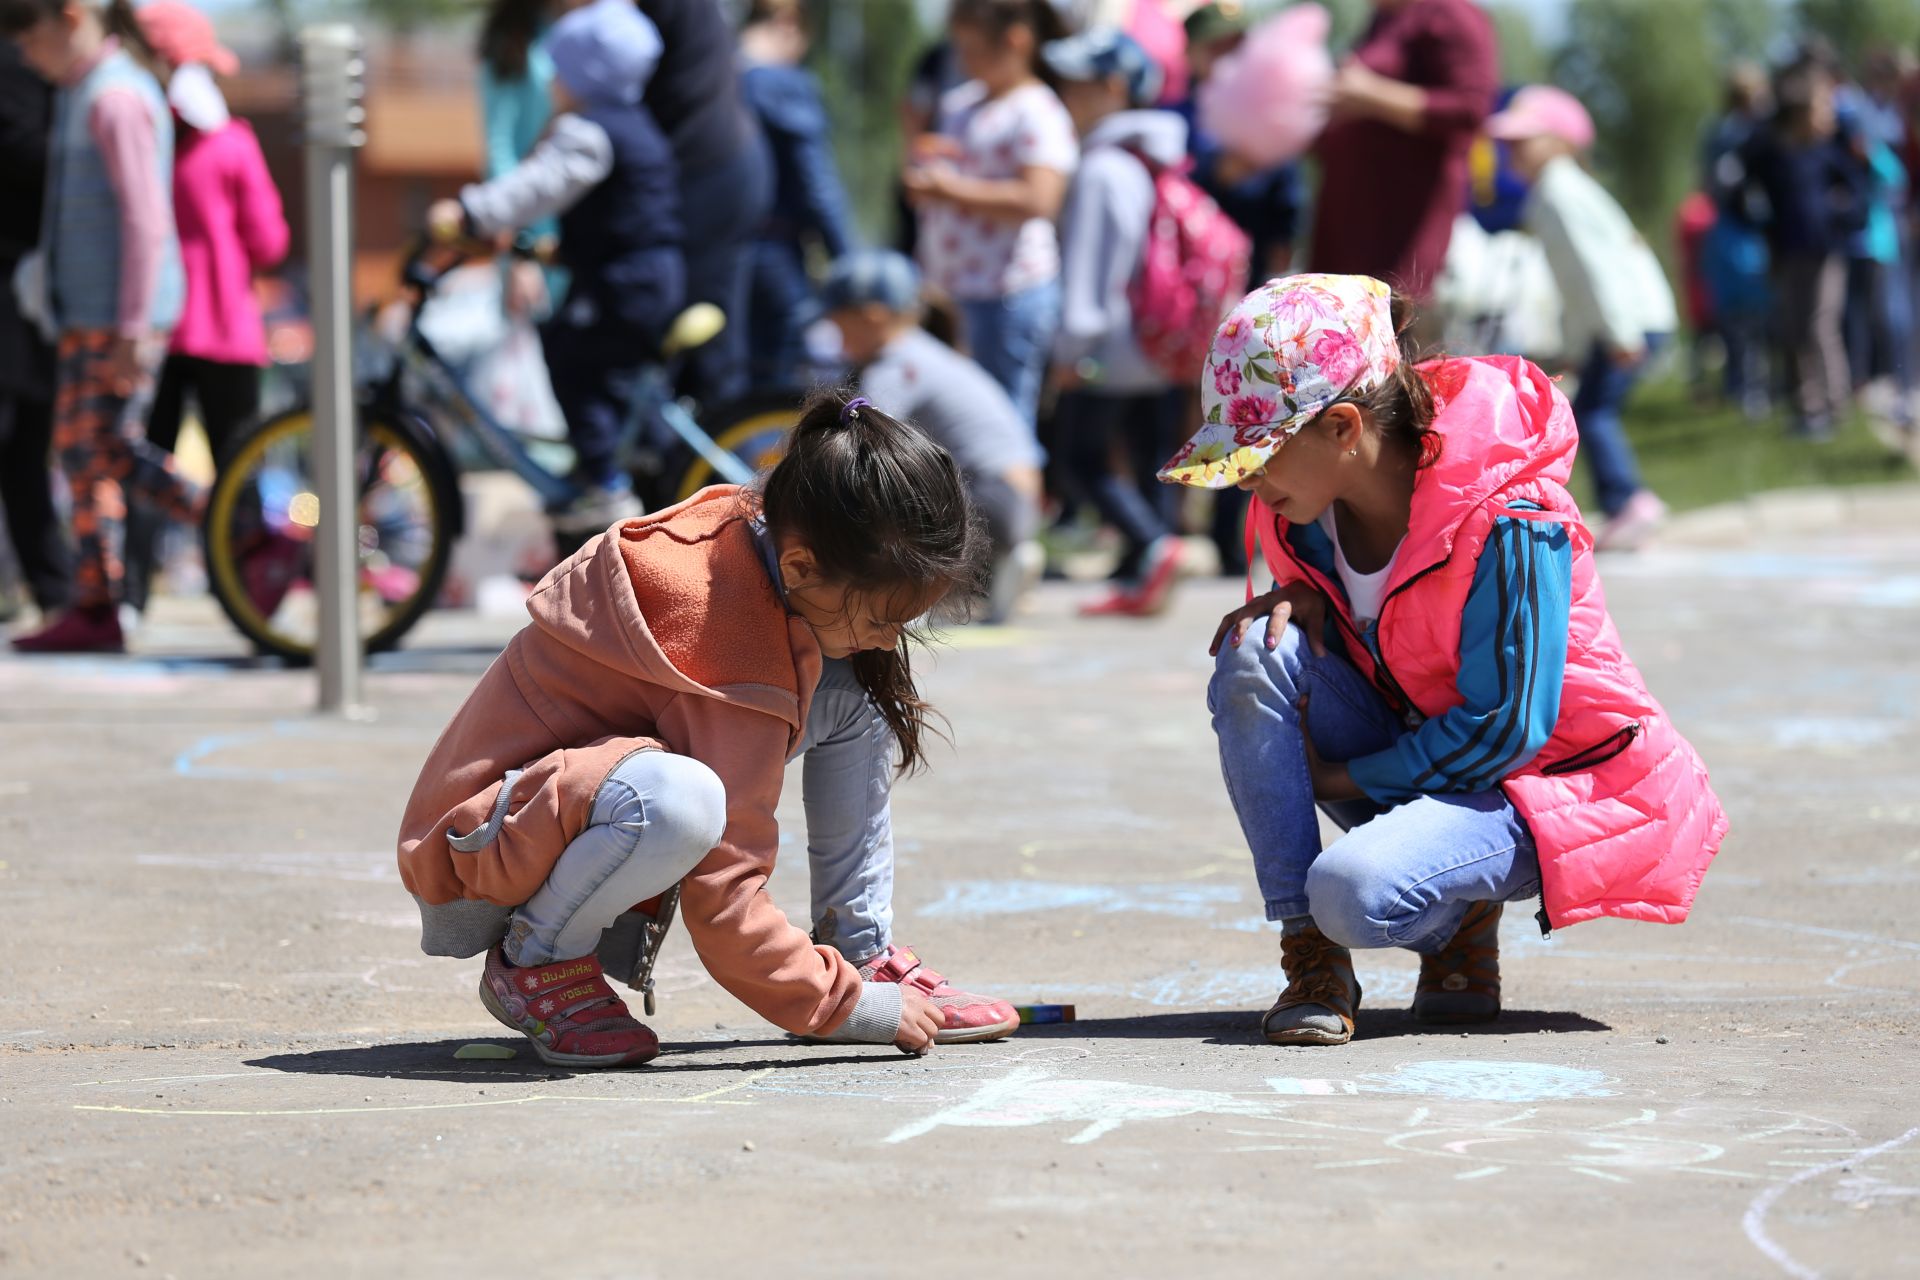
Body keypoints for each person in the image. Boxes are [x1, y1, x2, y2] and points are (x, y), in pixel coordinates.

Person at [1162, 274, 1728, 1046]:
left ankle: (1457, 914)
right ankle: (1312, 957)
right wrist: (1315, 608)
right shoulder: (1302, 517)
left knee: (1353, 890)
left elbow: (1508, 729)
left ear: (1342, 428)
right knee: (1254, 652)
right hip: (1426, 756)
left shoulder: (1511, 516)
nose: (1244, 480)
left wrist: (1343, 780)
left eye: (1259, 455)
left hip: (1545, 785)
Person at [396, 390, 1020, 1066]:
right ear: (802, 566)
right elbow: (726, 904)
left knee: (852, 700)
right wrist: (843, 1008)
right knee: (682, 803)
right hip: (478, 857)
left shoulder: (757, 539)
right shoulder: (726, 642)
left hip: (542, 818)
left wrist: (850, 980)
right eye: (882, 616)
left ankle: (860, 951)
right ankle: (535, 962)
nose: (887, 640)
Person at [430, 0, 683, 535]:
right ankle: (647, 465)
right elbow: (623, 214)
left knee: (573, 356)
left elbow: (536, 186)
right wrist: (554, 252)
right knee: (619, 378)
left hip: (623, 282)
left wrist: (470, 212)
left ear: (583, 77)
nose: (552, 84)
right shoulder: (635, 122)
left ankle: (603, 482)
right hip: (647, 273)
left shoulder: (588, 132)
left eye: (561, 73)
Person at [4, 0, 196, 655]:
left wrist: (134, 329)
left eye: (29, 41)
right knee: (87, 456)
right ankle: (97, 603)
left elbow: (145, 220)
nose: (25, 59)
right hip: (90, 314)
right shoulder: (85, 91)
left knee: (105, 449)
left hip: (119, 318)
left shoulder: (115, 96)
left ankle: (244, 529)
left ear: (69, 16)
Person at [124, 1, 287, 615]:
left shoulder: (143, 135)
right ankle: (248, 599)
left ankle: (129, 597)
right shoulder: (232, 142)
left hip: (154, 328)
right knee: (237, 471)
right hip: (227, 330)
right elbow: (270, 241)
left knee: (144, 468)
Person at [1489, 86, 1675, 552]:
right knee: (1590, 408)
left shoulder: (1559, 194)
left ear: (1559, 142)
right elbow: (1574, 283)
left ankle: (1630, 501)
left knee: (1594, 411)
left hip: (1627, 320)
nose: (1512, 150)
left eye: (1523, 140)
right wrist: (1574, 350)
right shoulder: (1554, 192)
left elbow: (1596, 270)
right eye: (1509, 142)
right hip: (1619, 320)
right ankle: (1625, 503)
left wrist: (1619, 334)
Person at [1043, 26, 1188, 616]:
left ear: (1111, 87)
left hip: (1108, 342)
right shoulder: (1149, 159)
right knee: (1139, 452)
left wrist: (1072, 349)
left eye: (1076, 85)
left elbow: (1091, 270)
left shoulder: (1103, 166)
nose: (1065, 97)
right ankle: (1140, 570)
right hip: (1151, 337)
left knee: (1078, 457)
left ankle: (1154, 546)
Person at [819, 249, 1043, 624]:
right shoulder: (930, 353)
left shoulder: (898, 365)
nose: (838, 343)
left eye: (840, 327)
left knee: (860, 478)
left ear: (872, 316)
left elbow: (863, 437)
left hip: (988, 503)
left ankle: (908, 593)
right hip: (1014, 501)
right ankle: (999, 564)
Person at [907, 0, 1076, 429]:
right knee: (951, 420)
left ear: (1016, 42)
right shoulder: (962, 101)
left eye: (973, 47)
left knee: (1002, 421)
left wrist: (951, 188)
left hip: (1006, 291)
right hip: (951, 289)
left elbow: (1040, 199)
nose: (963, 59)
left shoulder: (1037, 109)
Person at [1309, 0, 1497, 308]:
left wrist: (1372, 94)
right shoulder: (1384, 19)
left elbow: (1470, 108)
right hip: (1349, 225)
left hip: (1400, 231)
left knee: (1388, 331)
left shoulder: (1449, 13)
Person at [639, 0, 773, 409]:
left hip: (705, 170)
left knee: (694, 341)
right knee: (712, 342)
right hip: (728, 162)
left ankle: (711, 460)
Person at [1733, 59, 1870, 440]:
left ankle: (1833, 405)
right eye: (1820, 108)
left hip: (1827, 251)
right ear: (1798, 113)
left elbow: (1860, 191)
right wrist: (1753, 218)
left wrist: (1841, 214)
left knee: (1820, 326)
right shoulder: (1774, 152)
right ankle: (1806, 407)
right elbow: (1740, 175)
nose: (1829, 115)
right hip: (1787, 252)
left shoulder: (1832, 151)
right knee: (1793, 328)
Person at [738, 0, 855, 389]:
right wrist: (849, 261)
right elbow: (816, 186)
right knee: (775, 386)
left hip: (720, 251)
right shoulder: (782, 83)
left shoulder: (712, 76)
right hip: (775, 251)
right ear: (789, 23)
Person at [0, 38, 70, 624]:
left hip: (32, 293)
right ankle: (51, 587)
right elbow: (30, 156)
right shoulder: (21, 70)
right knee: (22, 446)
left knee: (27, 450)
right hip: (16, 286)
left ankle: (53, 588)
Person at [477, 0, 559, 319]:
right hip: (536, 235)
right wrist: (519, 251)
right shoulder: (513, 42)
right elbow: (501, 150)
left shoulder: (580, 29)